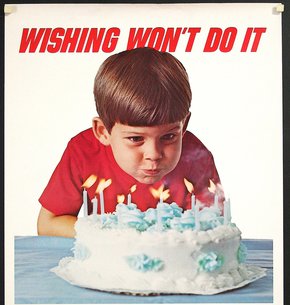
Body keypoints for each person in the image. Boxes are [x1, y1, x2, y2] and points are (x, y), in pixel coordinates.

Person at [38, 47, 223, 237]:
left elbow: (215, 229)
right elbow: (48, 224)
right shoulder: (82, 151)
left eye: (168, 136)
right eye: (135, 138)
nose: (153, 154)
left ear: (183, 127)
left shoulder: (197, 157)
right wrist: (113, 235)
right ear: (103, 132)